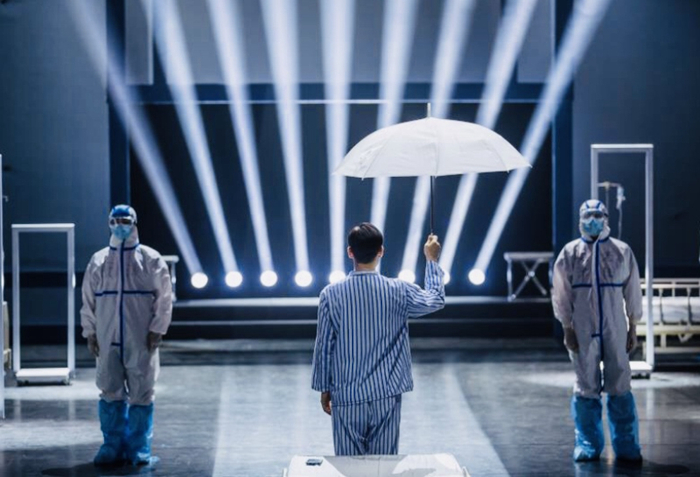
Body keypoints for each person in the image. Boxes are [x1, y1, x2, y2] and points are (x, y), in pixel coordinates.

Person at [312, 223, 445, 455]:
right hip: (386, 395)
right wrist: (431, 259)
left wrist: (324, 388)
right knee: (384, 465)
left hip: (347, 394)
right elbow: (435, 300)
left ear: (350, 252)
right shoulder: (399, 290)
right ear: (381, 251)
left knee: (349, 466)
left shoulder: (330, 294)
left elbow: (324, 346)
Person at [80, 205, 173, 466]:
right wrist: (90, 331)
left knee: (142, 390)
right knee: (109, 389)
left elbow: (164, 297)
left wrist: (158, 328)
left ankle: (139, 447)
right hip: (107, 335)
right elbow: (88, 299)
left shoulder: (150, 258)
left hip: (139, 334)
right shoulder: (99, 259)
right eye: (115, 220)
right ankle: (111, 445)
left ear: (134, 222)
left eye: (124, 220)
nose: (119, 225)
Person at [552, 199, 643, 462]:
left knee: (620, 383)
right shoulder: (570, 253)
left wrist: (633, 326)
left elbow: (633, 291)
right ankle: (588, 444)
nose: (593, 220)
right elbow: (561, 294)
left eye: (597, 215)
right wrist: (567, 327)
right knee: (585, 385)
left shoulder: (621, 251)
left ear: (606, 218)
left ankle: (626, 445)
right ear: (581, 219)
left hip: (615, 326)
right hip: (582, 327)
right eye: (588, 215)